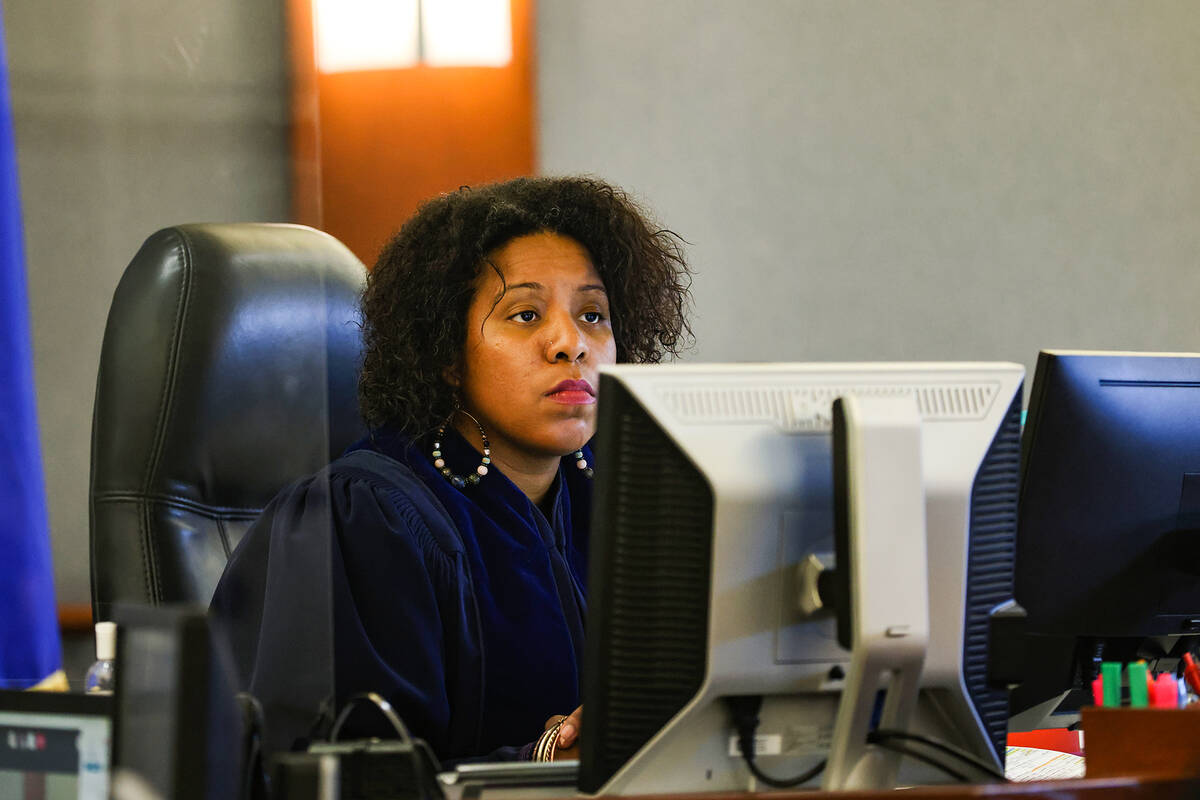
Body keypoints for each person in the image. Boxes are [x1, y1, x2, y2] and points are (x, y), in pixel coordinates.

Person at [210, 176, 693, 763]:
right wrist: (551, 764)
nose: (571, 343)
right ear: (445, 356)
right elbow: (353, 780)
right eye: (524, 315)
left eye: (593, 314)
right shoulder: (363, 519)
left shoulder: (622, 504)